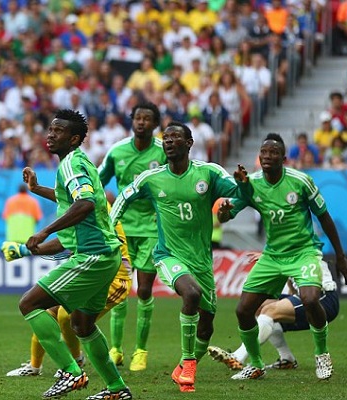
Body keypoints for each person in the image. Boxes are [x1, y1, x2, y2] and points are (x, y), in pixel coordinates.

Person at [109, 121, 244, 392]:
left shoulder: (209, 173)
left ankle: (183, 366)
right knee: (190, 294)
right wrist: (110, 231)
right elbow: (123, 198)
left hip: (202, 261)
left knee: (206, 328)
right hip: (168, 255)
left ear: (189, 143)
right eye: (166, 137)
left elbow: (241, 193)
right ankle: (188, 363)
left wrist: (236, 201)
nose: (169, 141)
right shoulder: (152, 177)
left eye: (175, 137)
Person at [13, 109, 132, 400]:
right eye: (50, 130)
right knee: (81, 324)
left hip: (92, 255)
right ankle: (117, 389)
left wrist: (44, 231)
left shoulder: (71, 164)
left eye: (58, 131)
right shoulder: (76, 163)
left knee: (29, 304)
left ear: (74, 138)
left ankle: (70, 372)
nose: (50, 135)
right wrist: (37, 188)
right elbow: (73, 197)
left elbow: (86, 204)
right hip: (106, 255)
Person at [217, 133, 347, 381]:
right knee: (243, 310)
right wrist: (224, 212)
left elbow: (324, 217)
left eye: (273, 153)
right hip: (273, 256)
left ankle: (322, 355)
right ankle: (255, 364)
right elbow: (226, 216)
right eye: (264, 152)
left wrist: (340, 256)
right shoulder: (251, 183)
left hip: (303, 252)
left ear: (284, 158)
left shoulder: (301, 181)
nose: (267, 157)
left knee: (311, 299)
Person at [2, 199, 132, 378]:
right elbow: (68, 235)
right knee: (45, 312)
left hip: (115, 277)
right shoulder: (86, 204)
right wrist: (37, 188)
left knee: (68, 318)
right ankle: (35, 366)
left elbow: (63, 243)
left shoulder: (92, 209)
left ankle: (79, 364)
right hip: (92, 271)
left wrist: (24, 250)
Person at [98, 101, 167, 371]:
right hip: (122, 228)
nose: (141, 122)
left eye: (147, 118)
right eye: (137, 118)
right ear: (132, 121)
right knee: (119, 289)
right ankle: (116, 349)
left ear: (155, 124)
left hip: (151, 227)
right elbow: (98, 180)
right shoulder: (117, 151)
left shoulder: (163, 151)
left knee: (146, 290)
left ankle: (141, 350)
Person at [207, 258, 340, 370]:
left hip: (324, 298)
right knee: (257, 306)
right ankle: (287, 358)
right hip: (304, 298)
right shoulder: (287, 255)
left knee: (270, 311)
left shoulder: (303, 249)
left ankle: (238, 356)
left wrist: (268, 258)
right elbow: (293, 287)